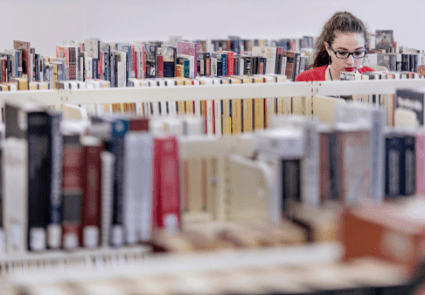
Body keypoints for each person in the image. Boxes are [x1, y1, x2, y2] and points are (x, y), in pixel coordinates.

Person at [296, 11, 374, 82]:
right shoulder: (306, 80)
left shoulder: (373, 77)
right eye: (342, 53)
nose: (351, 62)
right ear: (328, 48)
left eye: (358, 52)